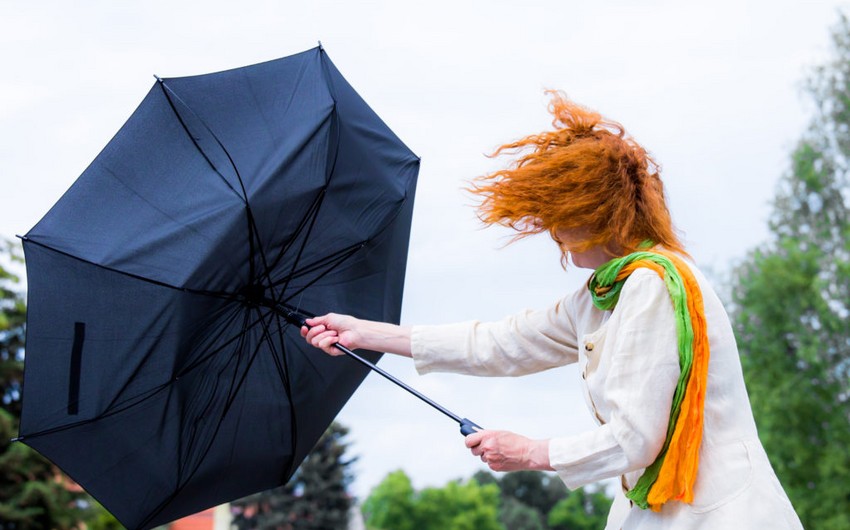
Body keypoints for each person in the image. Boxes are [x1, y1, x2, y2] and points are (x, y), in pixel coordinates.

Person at [301, 92, 803, 529]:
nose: (552, 232)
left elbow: (636, 439)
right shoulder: (604, 294)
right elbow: (499, 343)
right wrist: (366, 334)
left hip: (719, 515)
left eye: (559, 217)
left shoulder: (651, 286)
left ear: (596, 212)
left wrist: (531, 453)